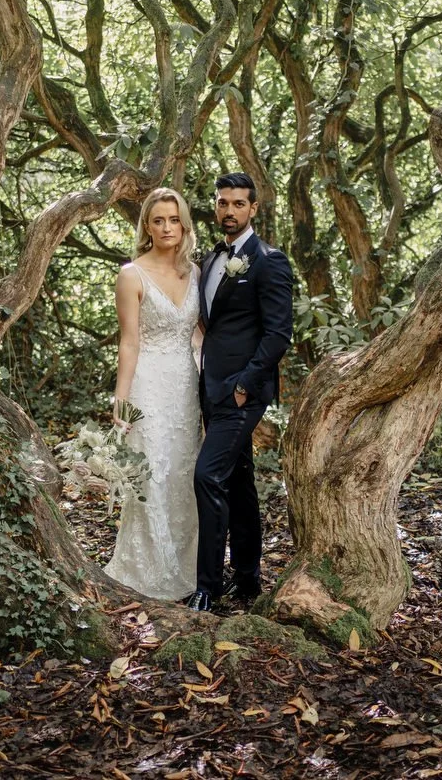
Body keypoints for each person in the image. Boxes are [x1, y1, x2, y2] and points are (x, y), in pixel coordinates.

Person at [185, 172, 294, 613]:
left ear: (253, 209)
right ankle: (248, 579)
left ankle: (207, 587)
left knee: (207, 476)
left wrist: (245, 386)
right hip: (210, 388)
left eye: (238, 204)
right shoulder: (212, 260)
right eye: (222, 203)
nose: (229, 211)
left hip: (240, 393)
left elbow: (278, 334)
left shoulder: (269, 260)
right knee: (238, 480)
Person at [104, 188, 203, 600]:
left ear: (184, 225)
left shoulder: (196, 272)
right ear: (147, 225)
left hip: (187, 385)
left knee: (184, 474)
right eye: (158, 220)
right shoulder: (132, 274)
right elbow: (129, 342)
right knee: (151, 473)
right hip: (148, 383)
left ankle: (187, 569)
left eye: (174, 219)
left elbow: (198, 335)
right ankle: (147, 570)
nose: (167, 227)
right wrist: (121, 404)